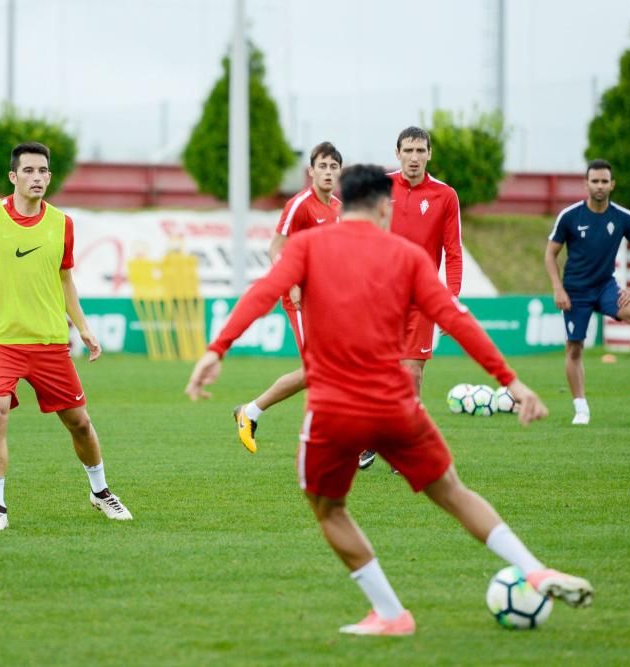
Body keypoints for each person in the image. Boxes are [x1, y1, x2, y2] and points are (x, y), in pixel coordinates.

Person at [185, 164, 593, 636]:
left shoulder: (307, 247)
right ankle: (533, 568)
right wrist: (512, 382)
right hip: (397, 406)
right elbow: (457, 319)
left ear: (342, 200)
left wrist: (217, 350)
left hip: (333, 412)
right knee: (454, 494)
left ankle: (391, 613)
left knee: (329, 508)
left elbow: (262, 294)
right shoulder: (406, 255)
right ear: (384, 206)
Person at [0, 141, 132, 530]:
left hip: (50, 343)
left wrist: (84, 328)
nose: (37, 177)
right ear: (13, 176)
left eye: (43, 171)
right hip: (0, 341)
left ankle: (100, 491)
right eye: (29, 171)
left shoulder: (62, 224)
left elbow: (64, 279)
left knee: (79, 423)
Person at [357, 126, 463, 471]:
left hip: (422, 297)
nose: (414, 157)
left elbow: (453, 251)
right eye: (408, 151)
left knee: (412, 372)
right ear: (398, 153)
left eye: (420, 151)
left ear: (429, 154)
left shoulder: (445, 196)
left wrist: (452, 298)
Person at [232, 141, 342, 454]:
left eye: (333, 167)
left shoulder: (337, 208)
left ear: (340, 172)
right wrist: (292, 283)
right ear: (311, 171)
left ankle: (250, 412)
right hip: (300, 298)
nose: (328, 172)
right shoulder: (300, 204)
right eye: (322, 166)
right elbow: (275, 248)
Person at [545, 158, 630, 425]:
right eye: (594, 181)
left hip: (605, 287)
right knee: (575, 348)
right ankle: (581, 408)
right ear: (586, 184)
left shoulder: (623, 217)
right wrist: (558, 288)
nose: (599, 186)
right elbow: (550, 254)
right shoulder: (569, 216)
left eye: (604, 181)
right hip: (575, 291)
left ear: (612, 184)